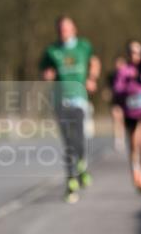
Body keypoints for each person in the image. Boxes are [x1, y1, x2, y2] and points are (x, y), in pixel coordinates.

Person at [39, 16, 101, 203]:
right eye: (60, 29)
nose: (63, 32)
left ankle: (81, 166)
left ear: (74, 29)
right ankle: (71, 182)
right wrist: (47, 75)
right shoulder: (51, 51)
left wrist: (92, 78)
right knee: (68, 143)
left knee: (79, 140)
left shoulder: (83, 46)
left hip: (79, 99)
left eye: (66, 28)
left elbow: (95, 62)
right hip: (60, 101)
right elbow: (44, 72)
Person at [112, 41, 141, 192]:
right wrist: (128, 88)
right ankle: (135, 169)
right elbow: (117, 89)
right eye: (132, 52)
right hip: (130, 112)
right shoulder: (123, 70)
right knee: (134, 143)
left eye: (137, 52)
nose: (135, 55)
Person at [105, 56, 127, 153]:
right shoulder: (112, 76)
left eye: (121, 63)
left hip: (127, 102)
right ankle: (118, 140)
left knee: (123, 121)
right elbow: (107, 89)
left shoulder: (129, 75)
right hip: (116, 101)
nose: (119, 66)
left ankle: (125, 136)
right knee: (116, 118)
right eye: (117, 63)